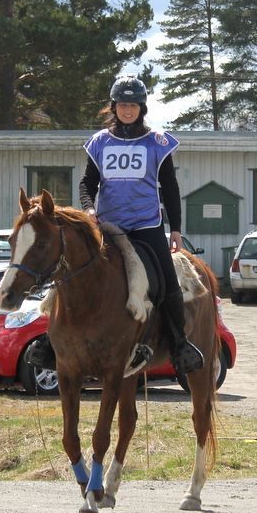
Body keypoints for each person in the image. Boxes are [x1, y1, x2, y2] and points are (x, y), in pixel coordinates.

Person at [79, 75, 203, 375]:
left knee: (168, 281)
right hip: (109, 227)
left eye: (133, 105)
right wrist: (89, 209)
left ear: (142, 107)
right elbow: (87, 183)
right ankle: (50, 340)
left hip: (147, 226)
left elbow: (170, 187)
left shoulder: (157, 142)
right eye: (122, 104)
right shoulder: (99, 142)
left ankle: (179, 343)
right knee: (73, 271)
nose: (127, 110)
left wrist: (175, 229)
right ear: (114, 106)